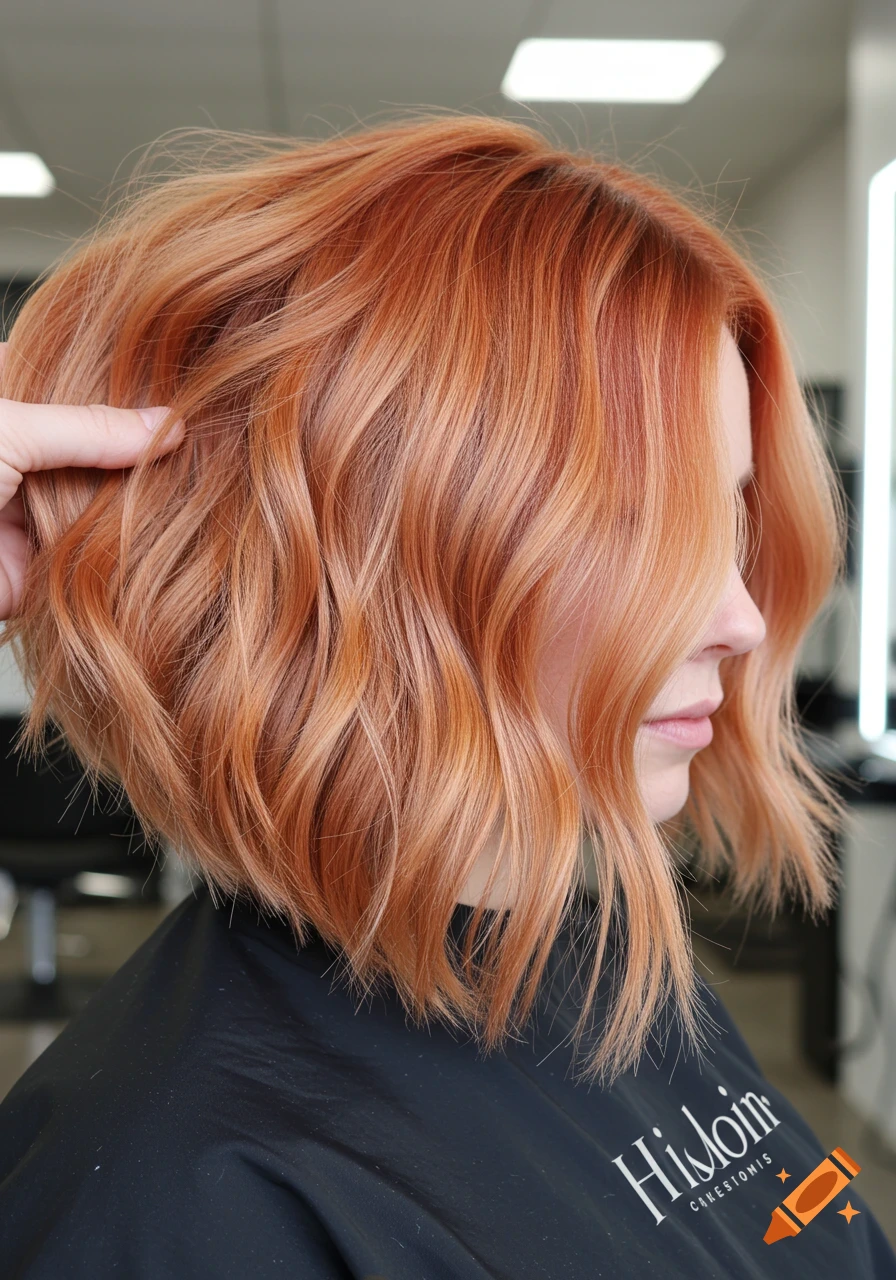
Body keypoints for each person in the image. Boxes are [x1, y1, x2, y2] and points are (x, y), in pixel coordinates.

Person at [0, 113, 893, 1279]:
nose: (736, 617)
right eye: (629, 530)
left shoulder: (601, 957)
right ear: (371, 569)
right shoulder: (188, 1205)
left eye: (722, 519)